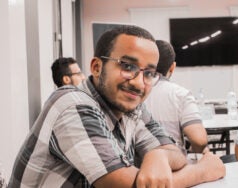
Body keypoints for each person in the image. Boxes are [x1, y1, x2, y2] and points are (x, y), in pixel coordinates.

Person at [8, 25, 225, 188]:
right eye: (127, 66)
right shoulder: (72, 103)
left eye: (149, 73)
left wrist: (158, 156)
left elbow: (174, 152)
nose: (139, 82)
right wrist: (202, 171)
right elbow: (122, 184)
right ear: (96, 67)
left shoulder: (132, 107)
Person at [145, 40, 208, 155]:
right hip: (174, 165)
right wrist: (192, 156)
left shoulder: (132, 92)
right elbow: (199, 141)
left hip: (137, 167)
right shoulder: (180, 94)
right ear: (172, 67)